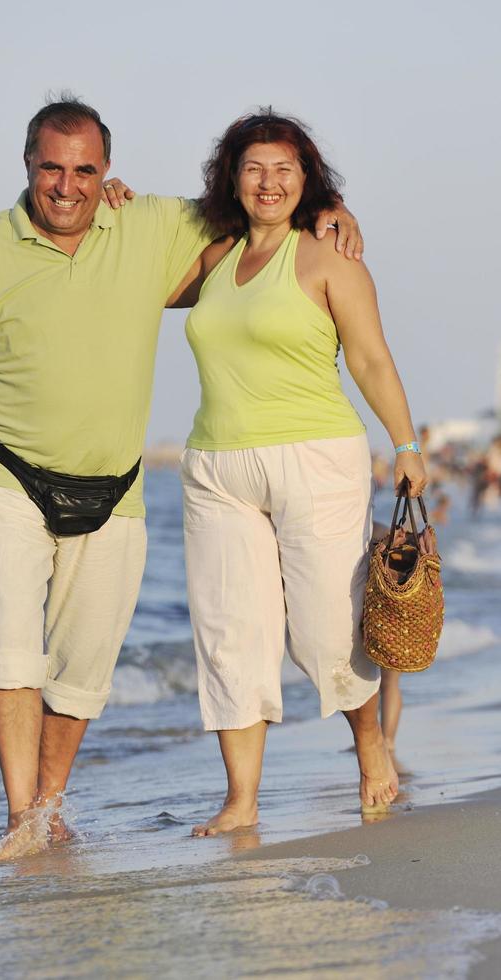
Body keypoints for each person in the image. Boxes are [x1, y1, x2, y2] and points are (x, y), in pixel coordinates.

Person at [0, 97, 363, 860]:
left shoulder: (149, 225)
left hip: (113, 489)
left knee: (83, 667)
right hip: (7, 475)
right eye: (51, 168)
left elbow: (258, 206)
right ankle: (19, 819)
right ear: (27, 165)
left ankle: (50, 806)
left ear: (106, 173)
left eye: (83, 170)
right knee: (12, 647)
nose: (66, 186)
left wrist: (331, 206)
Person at [168, 110, 426, 834]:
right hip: (216, 463)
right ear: (232, 178)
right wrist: (117, 199)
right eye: (253, 168)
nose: (268, 182)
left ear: (306, 178)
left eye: (283, 169)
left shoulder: (325, 255)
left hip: (315, 457)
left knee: (321, 631)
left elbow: (370, 358)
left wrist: (404, 443)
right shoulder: (215, 256)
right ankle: (240, 799)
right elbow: (139, 276)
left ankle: (369, 745)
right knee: (228, 636)